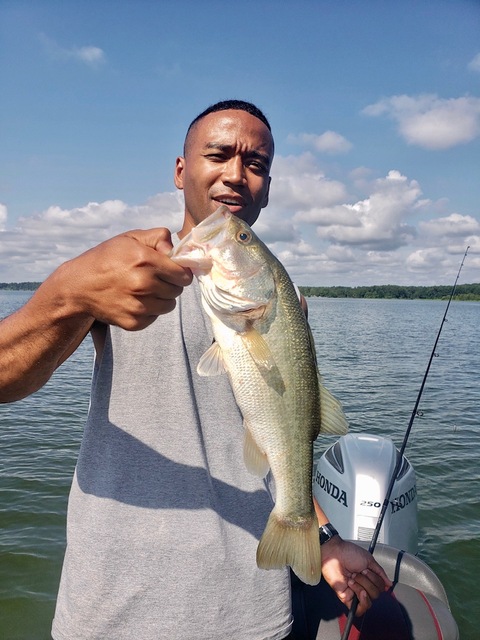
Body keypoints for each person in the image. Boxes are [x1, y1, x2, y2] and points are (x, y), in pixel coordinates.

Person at [0, 100, 390, 640]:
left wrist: (321, 539)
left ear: (268, 188)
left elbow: (283, 435)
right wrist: (71, 291)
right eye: (218, 155)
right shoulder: (119, 268)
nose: (235, 174)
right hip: (108, 609)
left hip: (250, 613)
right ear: (181, 170)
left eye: (255, 164)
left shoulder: (286, 303)